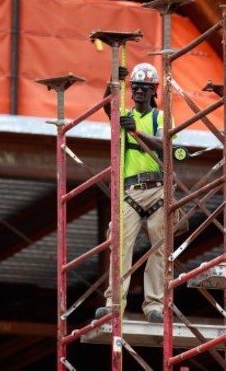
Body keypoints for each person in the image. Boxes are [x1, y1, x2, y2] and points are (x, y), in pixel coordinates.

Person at [96, 62, 170, 323]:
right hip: (129, 190)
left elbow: (165, 143)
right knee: (120, 246)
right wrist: (112, 80)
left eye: (144, 88)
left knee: (159, 249)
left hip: (156, 190)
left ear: (154, 91)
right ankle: (115, 302)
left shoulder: (159, 117)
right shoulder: (123, 114)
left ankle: (154, 306)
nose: (138, 91)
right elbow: (107, 105)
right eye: (135, 87)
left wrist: (135, 131)